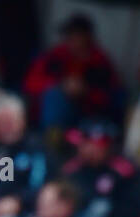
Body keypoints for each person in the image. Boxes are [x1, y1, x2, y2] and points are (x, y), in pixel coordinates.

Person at [23, 14, 124, 142]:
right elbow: (30, 83)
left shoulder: (100, 61)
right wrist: (61, 86)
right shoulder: (56, 55)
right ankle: (53, 139)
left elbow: (111, 95)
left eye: (78, 36)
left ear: (88, 37)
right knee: (54, 96)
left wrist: (85, 92)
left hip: (87, 115)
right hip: (54, 115)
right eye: (70, 36)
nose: (74, 40)